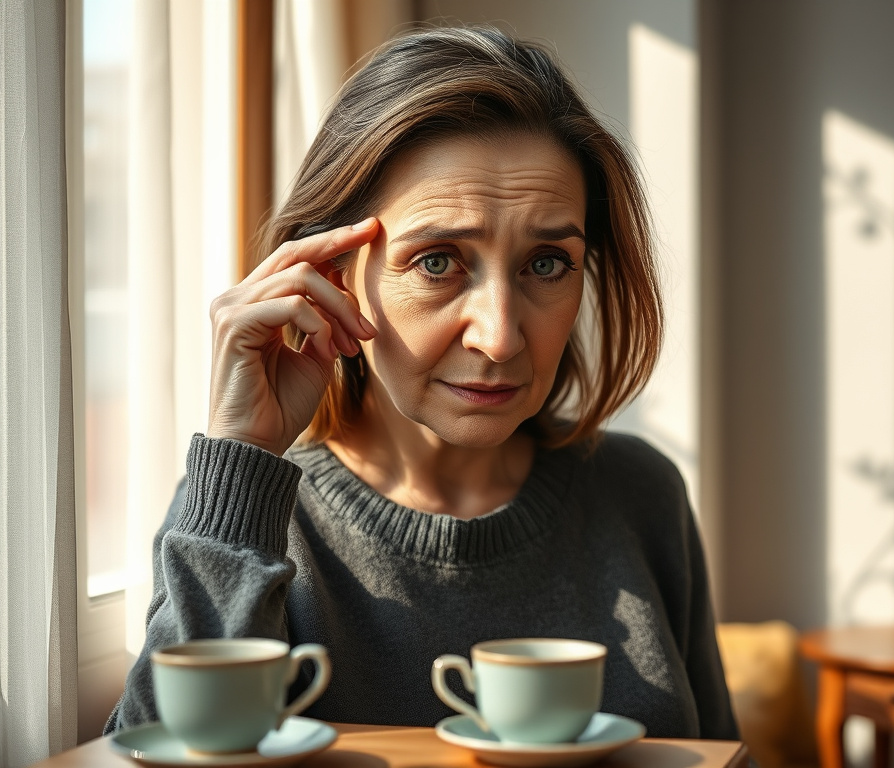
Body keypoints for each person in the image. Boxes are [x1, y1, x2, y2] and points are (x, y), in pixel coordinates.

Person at [106, 25, 738, 740]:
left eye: (546, 264)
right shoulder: (251, 518)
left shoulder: (640, 496)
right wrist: (242, 455)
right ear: (332, 271)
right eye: (438, 261)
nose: (499, 337)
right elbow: (163, 747)